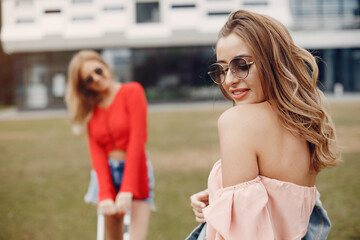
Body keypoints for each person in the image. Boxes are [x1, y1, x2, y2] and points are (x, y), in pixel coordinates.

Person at [188, 10, 339, 240]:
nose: (229, 80)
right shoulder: (304, 122)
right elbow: (284, 203)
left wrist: (231, 208)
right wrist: (220, 196)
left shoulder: (238, 121)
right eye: (222, 69)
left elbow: (243, 233)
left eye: (241, 65)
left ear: (273, 60)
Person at [65, 50, 154, 240]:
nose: (96, 78)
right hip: (105, 175)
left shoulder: (132, 91)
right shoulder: (90, 108)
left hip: (135, 171)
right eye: (89, 79)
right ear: (84, 86)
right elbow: (96, 153)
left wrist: (127, 189)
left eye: (98, 71)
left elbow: (137, 141)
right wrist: (105, 193)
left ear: (105, 65)